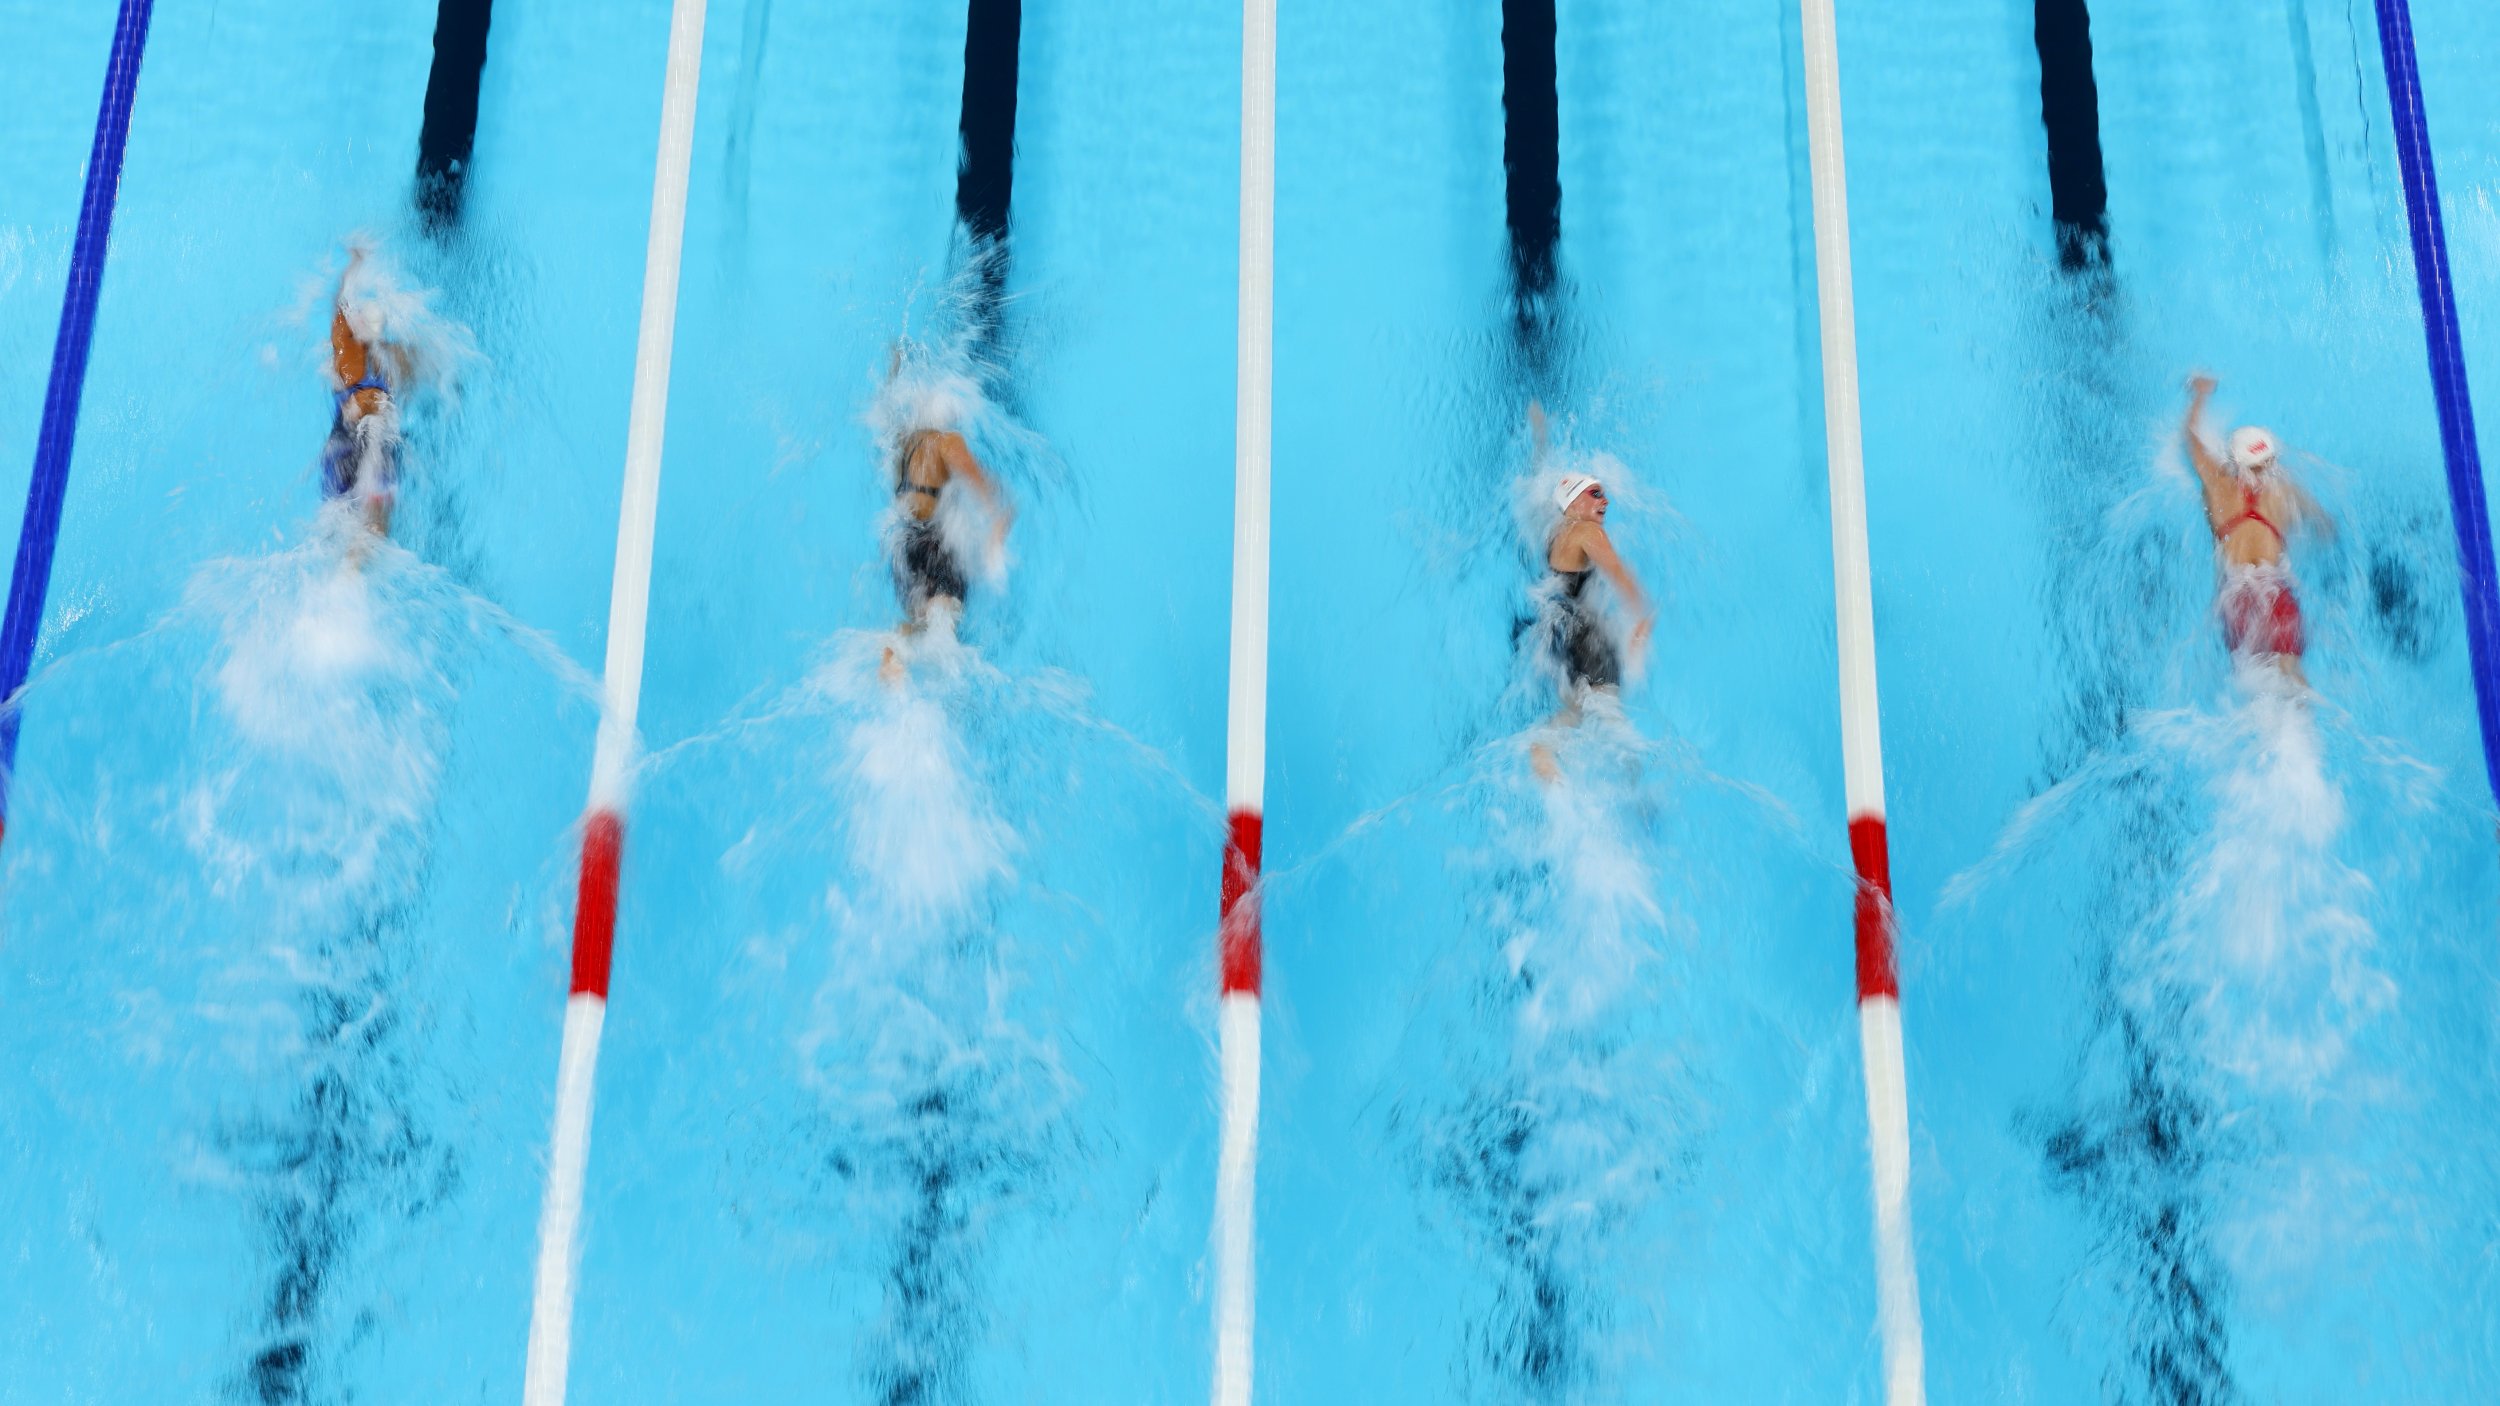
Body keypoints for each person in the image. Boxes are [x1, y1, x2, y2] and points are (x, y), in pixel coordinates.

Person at [2182, 373, 2331, 686]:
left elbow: (2192, 441)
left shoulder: (2217, 485)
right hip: (2275, 590)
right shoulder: (2287, 492)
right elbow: (2325, 527)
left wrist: (2200, 395)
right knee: (2291, 675)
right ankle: (2300, 731)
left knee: (2252, 684)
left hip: (2236, 594)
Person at [1529, 405, 1653, 780]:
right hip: (1592, 644)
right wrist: (1642, 619)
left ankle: (1545, 754)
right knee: (1618, 738)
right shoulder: (1587, 532)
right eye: (1596, 493)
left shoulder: (1551, 530)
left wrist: (1540, 438)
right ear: (1575, 501)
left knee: (1574, 715)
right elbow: (1617, 571)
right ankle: (1638, 800)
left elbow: (1539, 482)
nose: (1606, 501)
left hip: (1560, 639)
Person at [880, 364, 1011, 679]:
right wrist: (999, 523)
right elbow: (985, 490)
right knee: (944, 628)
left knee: (924, 622)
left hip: (904, 546)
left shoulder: (905, 444)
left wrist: (894, 370)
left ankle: (895, 648)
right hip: (937, 545)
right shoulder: (948, 442)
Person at [320, 249, 403, 546]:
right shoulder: (387, 360)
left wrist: (355, 264)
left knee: (337, 521)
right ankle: (356, 570)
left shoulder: (344, 347)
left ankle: (343, 575)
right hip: (369, 443)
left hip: (342, 446)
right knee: (375, 527)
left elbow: (339, 301)